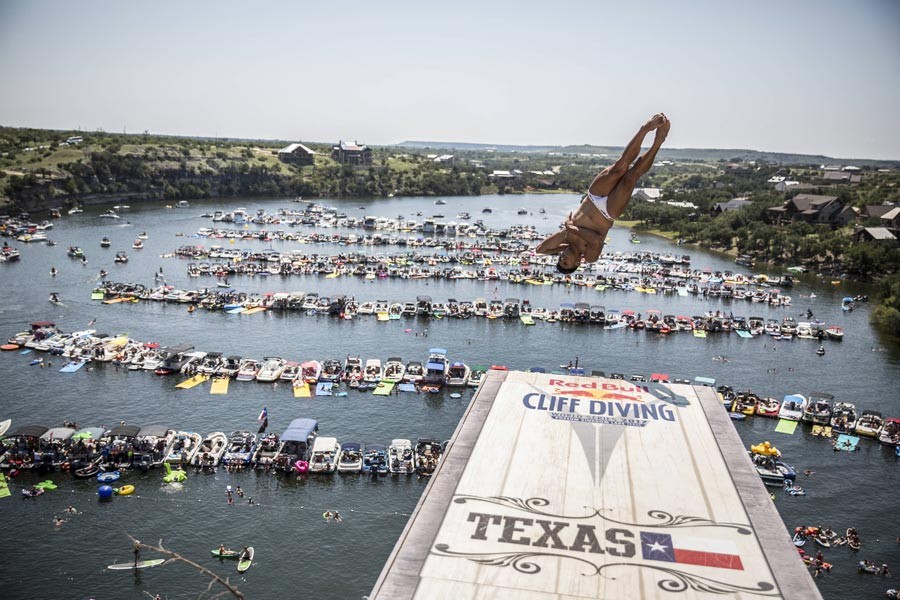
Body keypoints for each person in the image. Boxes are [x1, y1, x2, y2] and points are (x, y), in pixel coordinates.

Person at [536, 113, 670, 273]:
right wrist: (571, 228)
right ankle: (659, 141)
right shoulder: (589, 256)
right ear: (577, 263)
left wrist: (561, 243)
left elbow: (540, 250)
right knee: (631, 177)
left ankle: (645, 128)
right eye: (566, 263)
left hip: (593, 198)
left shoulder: (565, 240)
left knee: (619, 167)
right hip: (608, 212)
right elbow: (596, 240)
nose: (562, 259)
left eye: (560, 260)